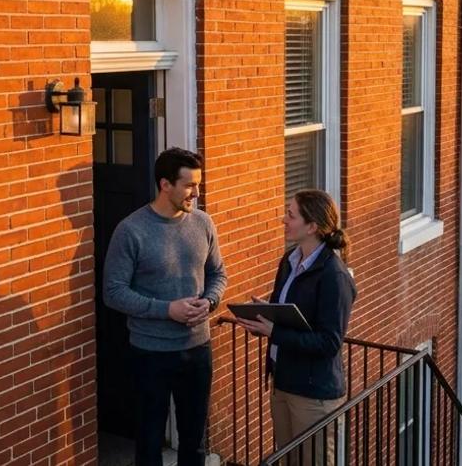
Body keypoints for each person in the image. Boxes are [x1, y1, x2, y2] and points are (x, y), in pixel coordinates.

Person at [103, 148, 226, 466]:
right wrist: (166, 309)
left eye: (198, 185)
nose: (196, 194)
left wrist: (210, 301)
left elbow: (217, 273)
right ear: (165, 184)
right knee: (149, 440)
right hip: (150, 354)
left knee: (194, 441)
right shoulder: (131, 231)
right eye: (189, 185)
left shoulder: (203, 223)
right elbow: (113, 292)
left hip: (198, 349)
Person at [235, 189, 356, 463]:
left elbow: (329, 343)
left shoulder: (334, 276)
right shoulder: (289, 261)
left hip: (313, 396)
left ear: (312, 226)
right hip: (283, 382)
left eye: (291, 215)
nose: (283, 220)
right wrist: (263, 313)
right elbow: (287, 312)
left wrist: (274, 332)